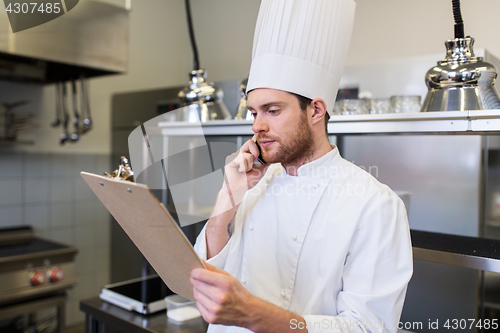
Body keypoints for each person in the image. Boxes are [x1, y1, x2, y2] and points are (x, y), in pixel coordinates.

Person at [190, 1, 413, 332]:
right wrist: (227, 198)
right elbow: (204, 279)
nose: (257, 126)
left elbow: (369, 327)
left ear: (316, 110)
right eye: (254, 112)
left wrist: (253, 313)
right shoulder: (252, 183)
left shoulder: (374, 205)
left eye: (273, 110)